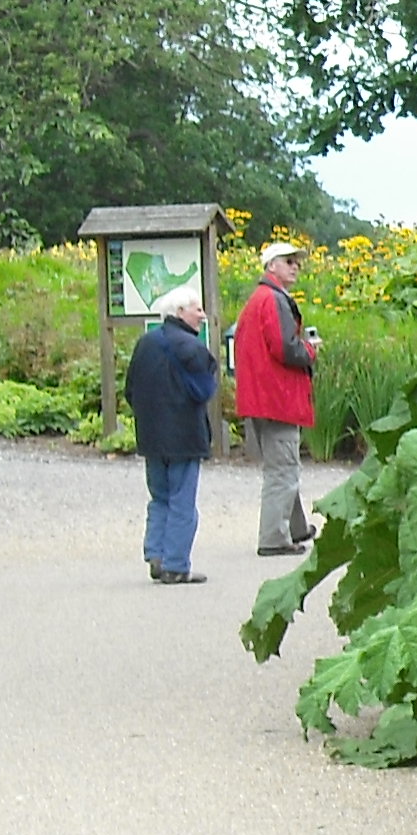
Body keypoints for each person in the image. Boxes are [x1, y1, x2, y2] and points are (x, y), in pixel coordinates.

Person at [232, 239, 321, 557]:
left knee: (283, 464)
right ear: (272, 266)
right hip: (277, 399)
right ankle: (273, 538)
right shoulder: (273, 300)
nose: (295, 266)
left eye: (297, 261)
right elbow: (286, 349)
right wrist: (310, 350)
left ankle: (295, 528)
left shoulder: (259, 299)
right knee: (283, 469)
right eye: (288, 261)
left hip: (261, 398)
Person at [126, 281, 219, 584]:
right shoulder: (193, 348)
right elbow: (205, 390)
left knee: (160, 497)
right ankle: (177, 565)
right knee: (182, 500)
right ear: (180, 312)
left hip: (150, 436)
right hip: (185, 437)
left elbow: (129, 390)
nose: (202, 316)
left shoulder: (145, 344)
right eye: (197, 309)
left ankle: (156, 553)